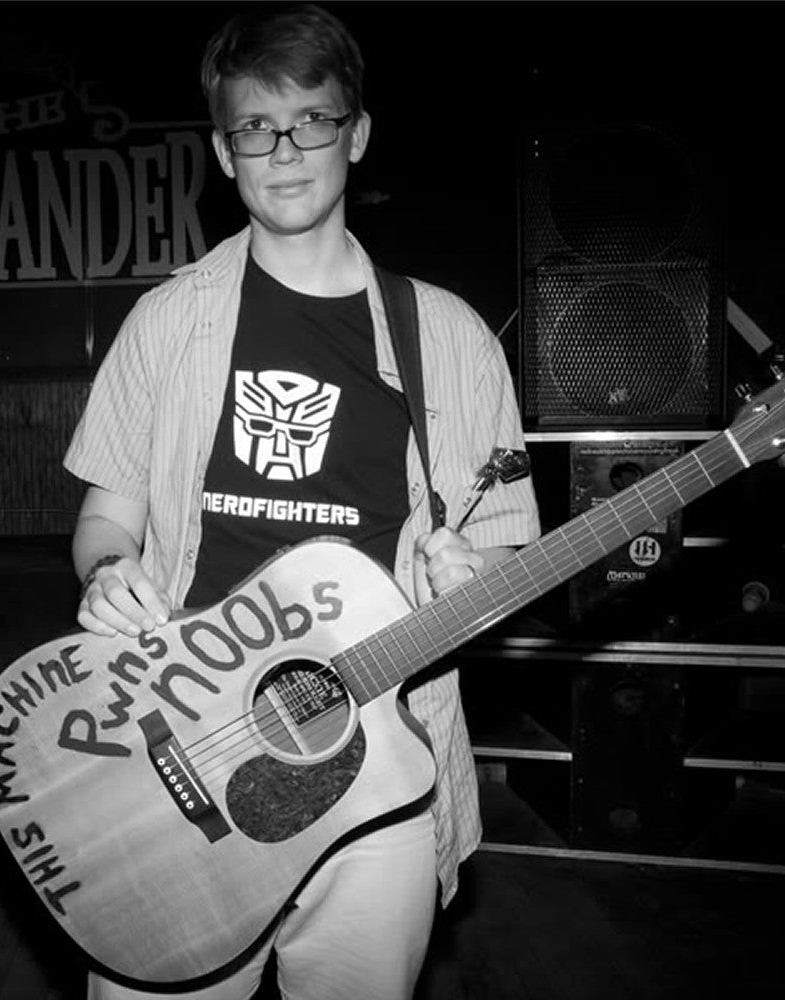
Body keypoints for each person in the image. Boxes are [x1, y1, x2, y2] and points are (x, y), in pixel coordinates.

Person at [64, 3, 540, 998]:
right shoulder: (163, 323)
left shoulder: (452, 338)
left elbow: (501, 557)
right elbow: (106, 520)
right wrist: (107, 570)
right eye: (255, 126)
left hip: (380, 762)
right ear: (222, 151)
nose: (283, 151)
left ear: (355, 134)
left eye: (311, 120)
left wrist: (471, 576)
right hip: (185, 739)